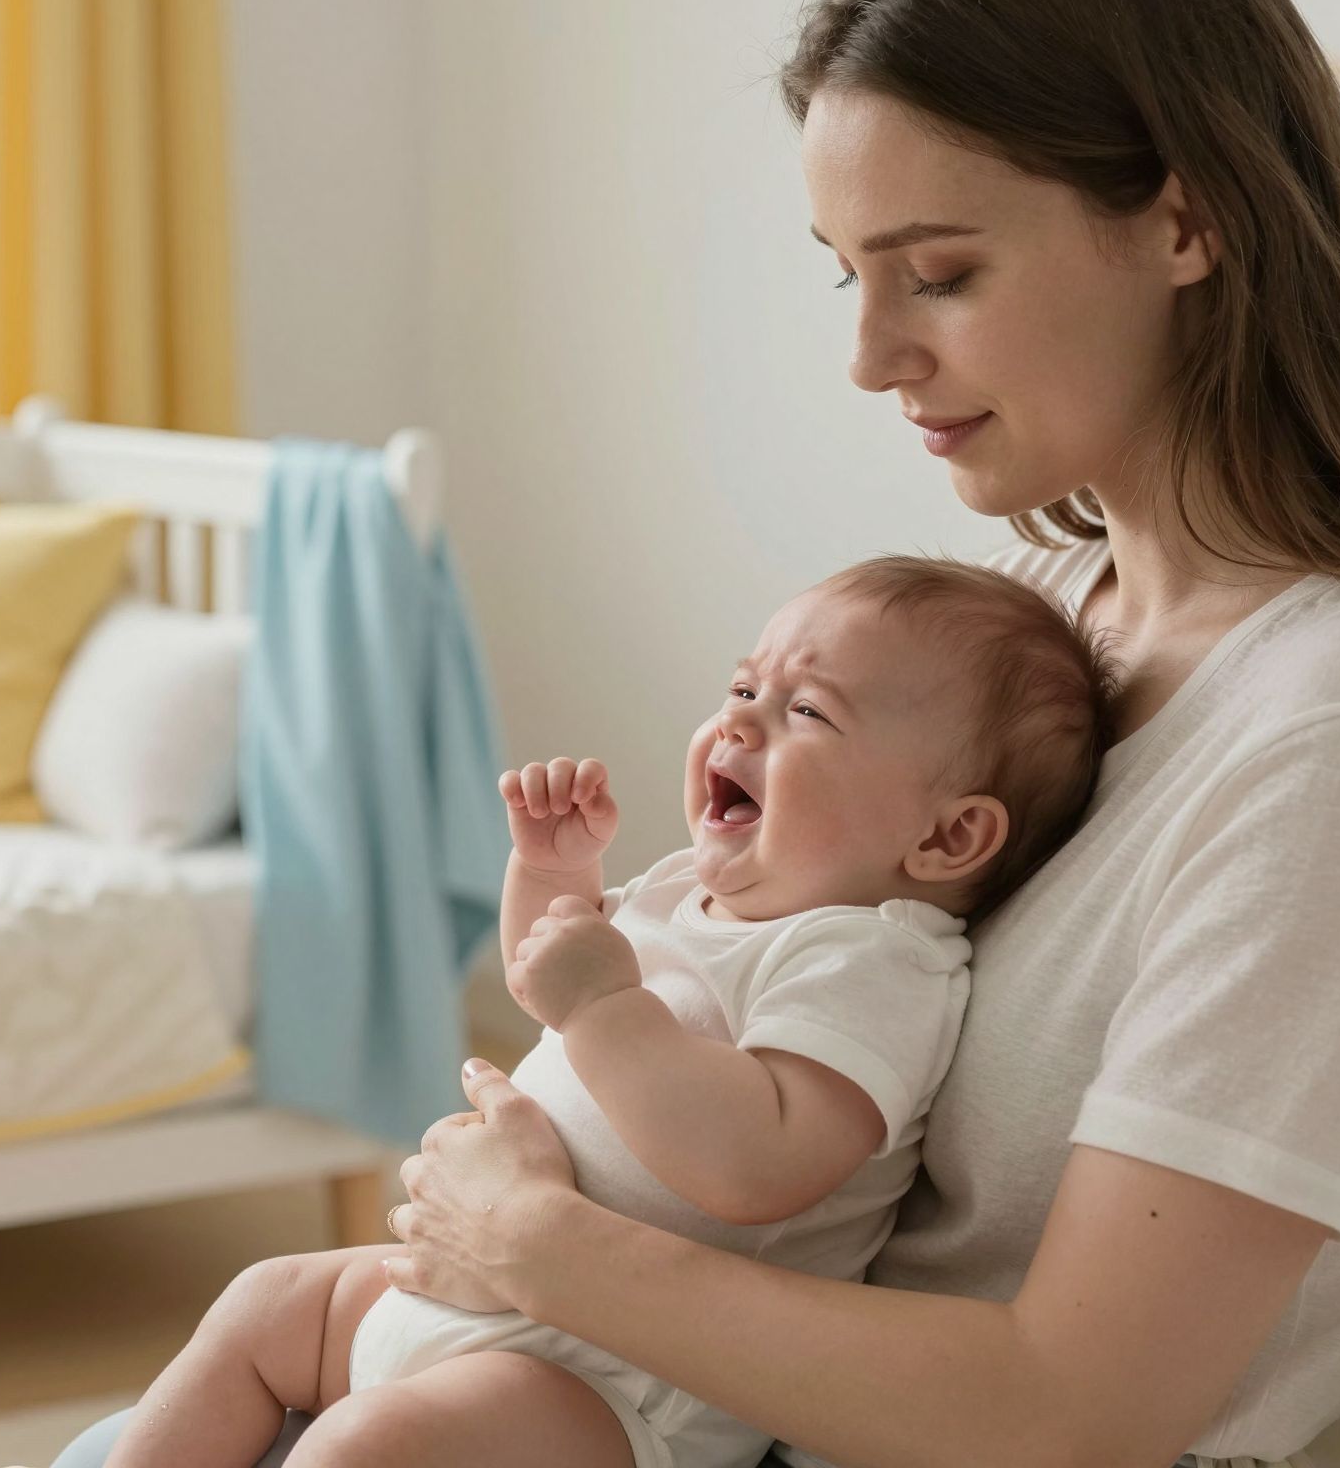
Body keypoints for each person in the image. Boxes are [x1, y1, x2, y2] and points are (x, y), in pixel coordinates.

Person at [55, 0, 1340, 1463]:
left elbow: (1083, 1412)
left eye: (941, 273)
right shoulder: (1056, 622)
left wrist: (541, 1248)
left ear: (1188, 220)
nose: (868, 356)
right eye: (849, 275)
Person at [97, 559, 1114, 1468]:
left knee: (372, 1443)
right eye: (741, 687)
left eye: (807, 713)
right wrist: (553, 875)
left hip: (619, 1388)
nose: (739, 721)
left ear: (947, 839)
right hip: (472, 1288)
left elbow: (755, 1164)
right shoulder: (692, 890)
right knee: (263, 1303)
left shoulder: (870, 959)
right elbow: (547, 978)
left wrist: (608, 1005)